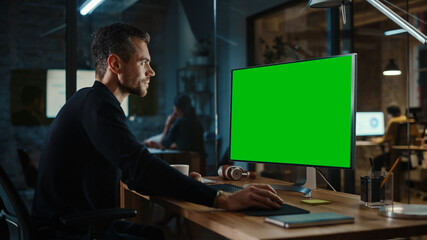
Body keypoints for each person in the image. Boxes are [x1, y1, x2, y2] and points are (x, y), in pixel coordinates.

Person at [31, 23, 283, 239]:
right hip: (68, 231)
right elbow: (139, 169)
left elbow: (133, 171)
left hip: (73, 224)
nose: (151, 72)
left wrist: (184, 183)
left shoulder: (90, 101)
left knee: (154, 234)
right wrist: (223, 199)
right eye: (144, 63)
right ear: (115, 64)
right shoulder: (98, 105)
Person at [371, 105, 408, 171]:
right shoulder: (406, 119)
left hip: (394, 154)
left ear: (390, 114)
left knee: (376, 161)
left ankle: (378, 181)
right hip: (406, 154)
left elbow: (386, 139)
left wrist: (376, 140)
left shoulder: (393, 121)